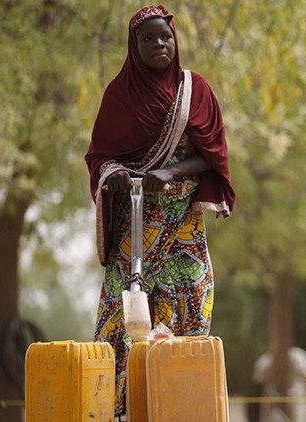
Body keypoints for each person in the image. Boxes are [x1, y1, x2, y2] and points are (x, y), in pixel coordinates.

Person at [85, 5, 235, 417]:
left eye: (165, 37)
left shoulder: (194, 89)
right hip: (134, 221)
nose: (159, 45)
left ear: (176, 42)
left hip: (182, 220)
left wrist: (168, 172)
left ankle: (180, 404)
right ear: (134, 47)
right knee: (123, 311)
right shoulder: (119, 95)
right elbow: (99, 155)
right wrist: (114, 174)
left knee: (193, 294)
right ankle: (117, 406)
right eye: (148, 39)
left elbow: (214, 154)